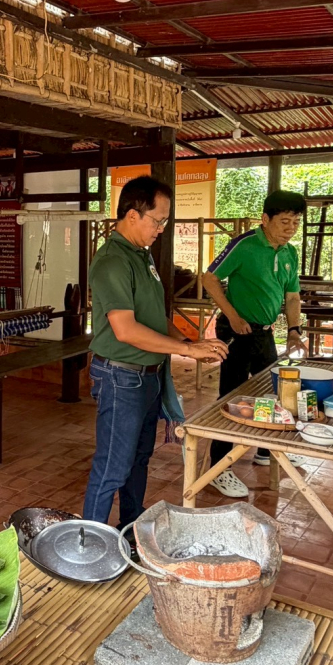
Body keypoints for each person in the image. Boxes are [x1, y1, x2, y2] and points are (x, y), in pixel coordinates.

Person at [82, 175, 228, 527]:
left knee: (138, 458)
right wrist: (187, 351)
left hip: (147, 377)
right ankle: (89, 542)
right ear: (133, 215)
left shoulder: (141, 256)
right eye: (158, 220)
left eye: (165, 221)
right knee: (113, 466)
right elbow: (126, 329)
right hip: (121, 377)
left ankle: (130, 529)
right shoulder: (113, 261)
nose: (162, 228)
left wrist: (192, 345)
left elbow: (154, 318)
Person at [200, 190, 309, 498]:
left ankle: (264, 450)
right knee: (230, 397)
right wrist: (231, 315)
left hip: (264, 332)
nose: (290, 228)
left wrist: (294, 330)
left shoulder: (289, 253)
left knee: (271, 393)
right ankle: (218, 468)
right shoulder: (246, 245)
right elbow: (209, 278)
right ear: (265, 219)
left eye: (296, 222)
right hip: (236, 330)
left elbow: (292, 296)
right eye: (284, 221)